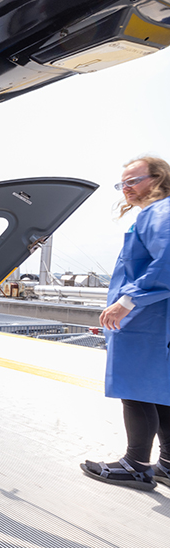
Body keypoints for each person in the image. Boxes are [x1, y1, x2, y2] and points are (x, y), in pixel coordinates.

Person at [81, 156, 170, 491]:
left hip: (145, 318)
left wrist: (126, 301)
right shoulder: (159, 213)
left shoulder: (159, 212)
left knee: (136, 390)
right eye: (123, 184)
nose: (127, 189)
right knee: (159, 390)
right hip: (155, 317)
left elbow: (167, 263)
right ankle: (168, 465)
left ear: (157, 178)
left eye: (134, 180)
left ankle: (136, 465)